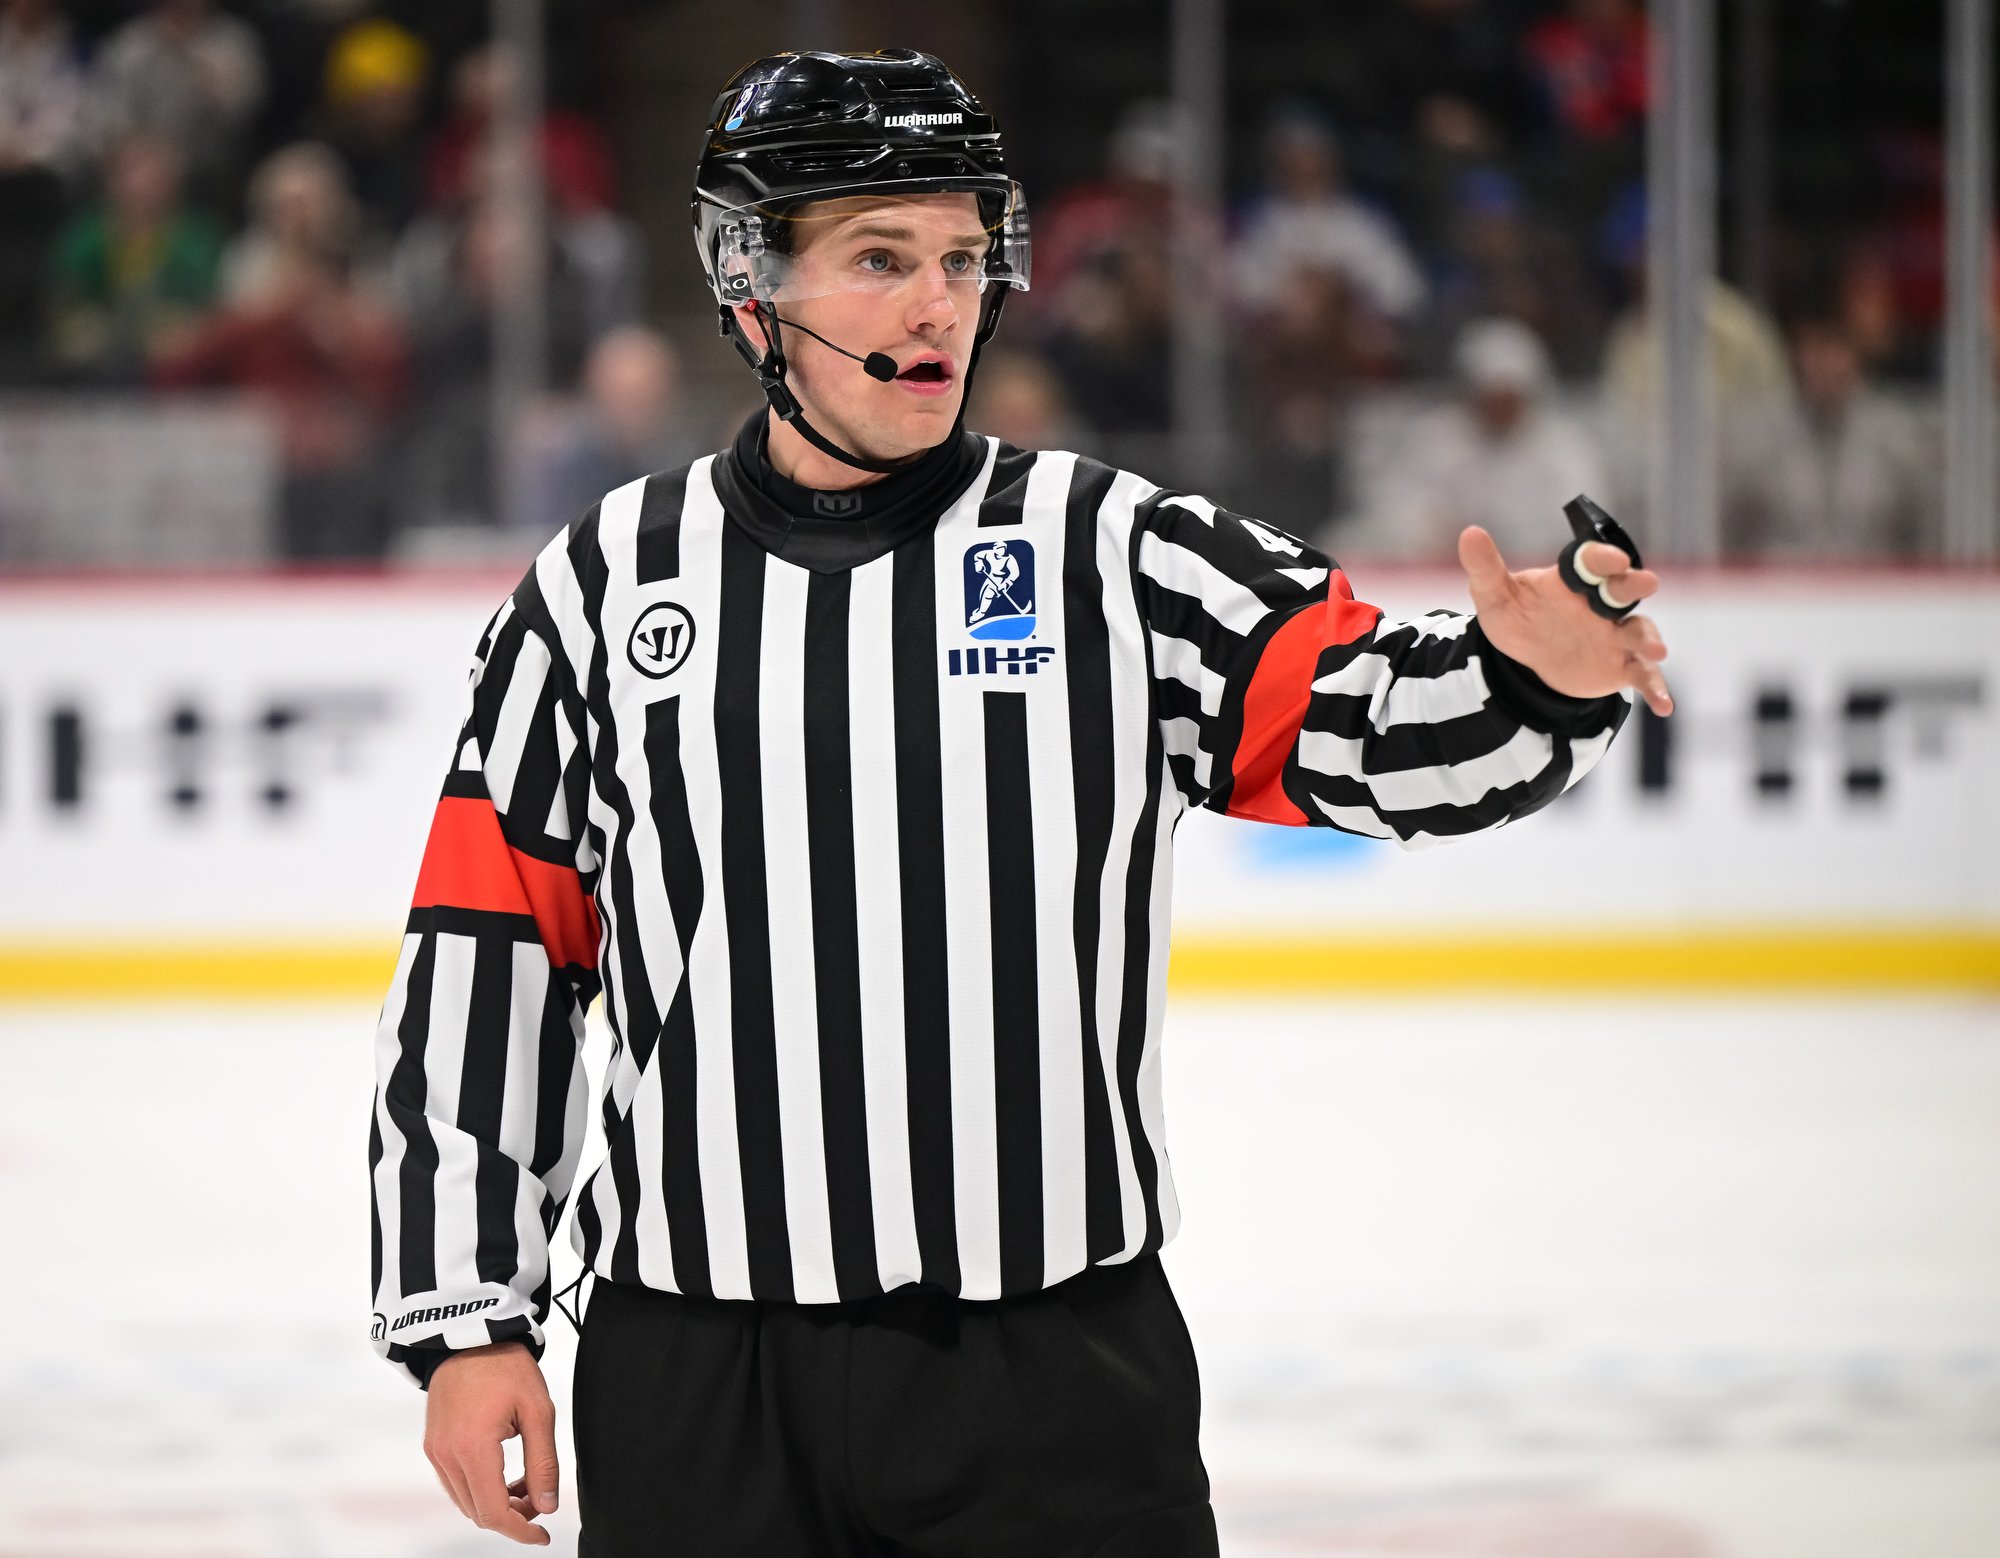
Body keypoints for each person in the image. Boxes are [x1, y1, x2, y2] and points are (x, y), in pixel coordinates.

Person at [366, 50, 1671, 1557]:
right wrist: (464, 1317)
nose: (941, 303)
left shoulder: (1111, 552)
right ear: (750, 289)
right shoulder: (604, 588)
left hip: (1051, 1377)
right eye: (880, 259)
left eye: (962, 257)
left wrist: (1528, 681)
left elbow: (1369, 720)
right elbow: (490, 959)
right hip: (702, 1379)